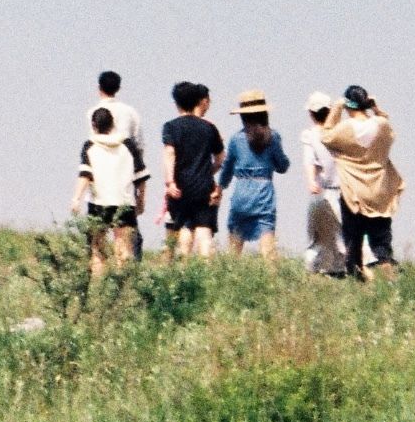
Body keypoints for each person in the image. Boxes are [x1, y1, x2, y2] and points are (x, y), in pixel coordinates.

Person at [319, 84, 404, 278]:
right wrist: (376, 109)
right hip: (379, 191)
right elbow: (389, 128)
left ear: (348, 105)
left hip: (354, 192)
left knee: (353, 240)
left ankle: (357, 276)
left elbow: (326, 136)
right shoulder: (381, 126)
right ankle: (387, 273)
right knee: (381, 241)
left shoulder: (346, 128)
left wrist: (336, 108)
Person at [71, 106, 148, 278]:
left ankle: (99, 287)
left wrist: (76, 198)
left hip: (99, 203)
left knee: (97, 250)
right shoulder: (128, 145)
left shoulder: (90, 145)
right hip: (124, 202)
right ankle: (122, 287)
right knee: (124, 250)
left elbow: (85, 175)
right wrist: (141, 201)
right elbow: (141, 178)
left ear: (93, 125)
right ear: (113, 124)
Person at [218, 89, 290, 258]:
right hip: (264, 192)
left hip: (241, 192)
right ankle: (271, 274)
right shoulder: (273, 137)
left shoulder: (236, 139)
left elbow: (227, 168)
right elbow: (282, 166)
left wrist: (220, 187)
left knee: (234, 247)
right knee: (268, 245)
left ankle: (230, 271)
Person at [161, 81, 225, 258]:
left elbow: (170, 153)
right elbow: (220, 159)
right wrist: (208, 172)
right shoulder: (209, 127)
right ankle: (206, 267)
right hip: (204, 186)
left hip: (180, 187)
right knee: (204, 229)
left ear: (176, 103)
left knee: (184, 227)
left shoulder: (171, 127)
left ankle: (185, 266)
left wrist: (170, 182)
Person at [89, 70, 144, 259]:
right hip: (125, 177)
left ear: (99, 88)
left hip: (100, 181)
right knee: (126, 237)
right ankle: (127, 271)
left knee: (97, 241)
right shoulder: (130, 113)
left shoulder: (92, 112)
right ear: (118, 88)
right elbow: (139, 146)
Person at [300, 92, 347, 277]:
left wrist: (311, 181)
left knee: (319, 236)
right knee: (344, 234)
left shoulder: (311, 135)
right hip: (346, 191)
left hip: (323, 191)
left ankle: (317, 270)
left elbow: (309, 161)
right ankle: (342, 268)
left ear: (311, 114)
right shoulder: (342, 132)